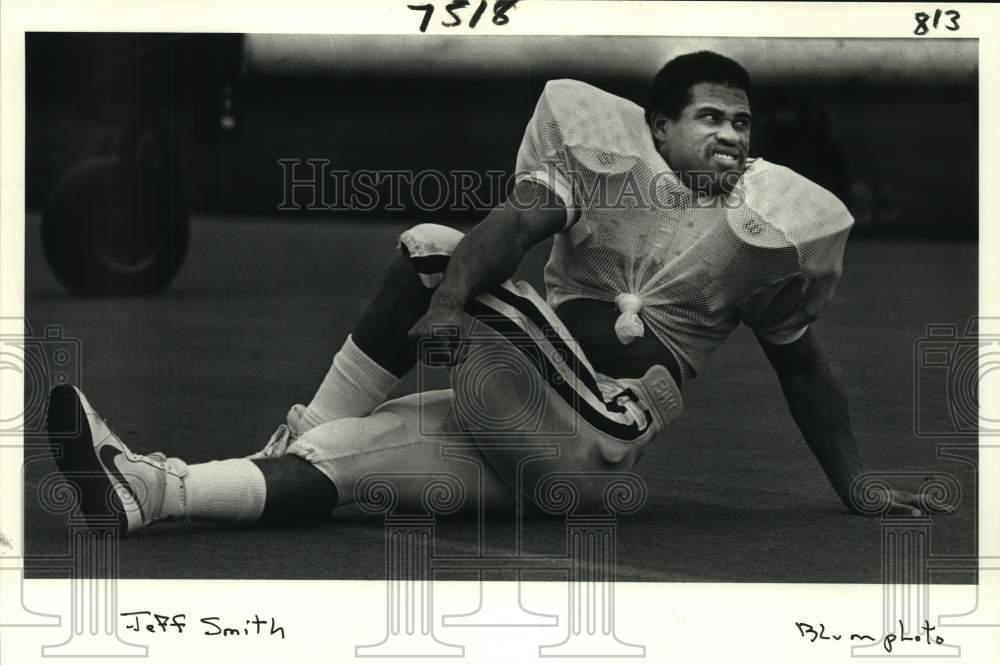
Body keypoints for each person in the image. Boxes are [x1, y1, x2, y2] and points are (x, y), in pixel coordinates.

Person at [48, 51, 943, 534]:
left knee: (435, 253)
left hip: (597, 438)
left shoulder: (767, 223)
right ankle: (155, 492)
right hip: (513, 410)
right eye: (711, 116)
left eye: (744, 122)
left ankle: (305, 422)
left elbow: (806, 371)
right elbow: (511, 228)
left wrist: (858, 484)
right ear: (657, 126)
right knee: (343, 461)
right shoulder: (600, 159)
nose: (732, 136)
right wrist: (452, 304)